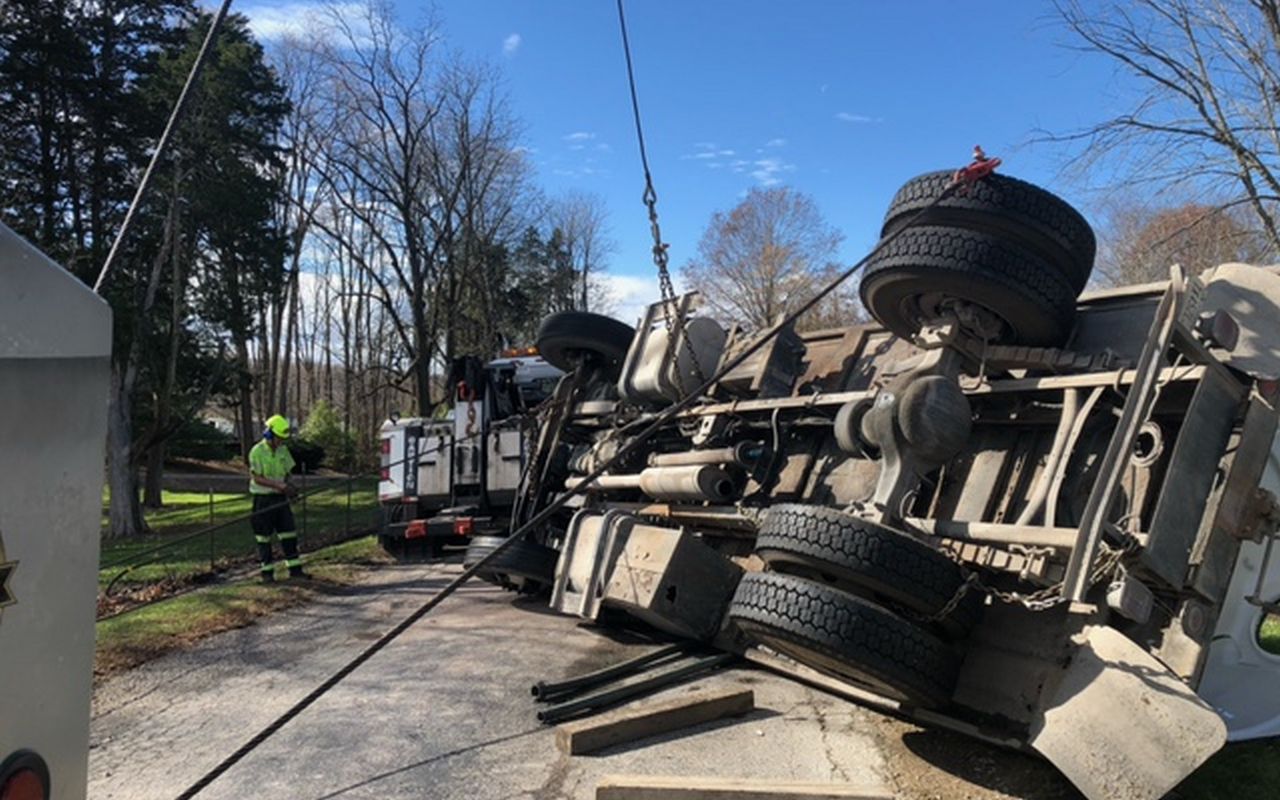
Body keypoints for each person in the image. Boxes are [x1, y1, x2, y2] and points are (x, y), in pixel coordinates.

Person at [248, 414, 307, 582]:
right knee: (263, 538)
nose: (281, 441)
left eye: (282, 439)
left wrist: (291, 488)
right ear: (269, 434)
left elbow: (287, 473)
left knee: (289, 534)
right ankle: (267, 574)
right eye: (279, 438)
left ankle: (295, 571)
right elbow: (257, 478)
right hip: (263, 500)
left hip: (280, 500)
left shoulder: (283, 451)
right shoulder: (257, 452)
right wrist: (279, 486)